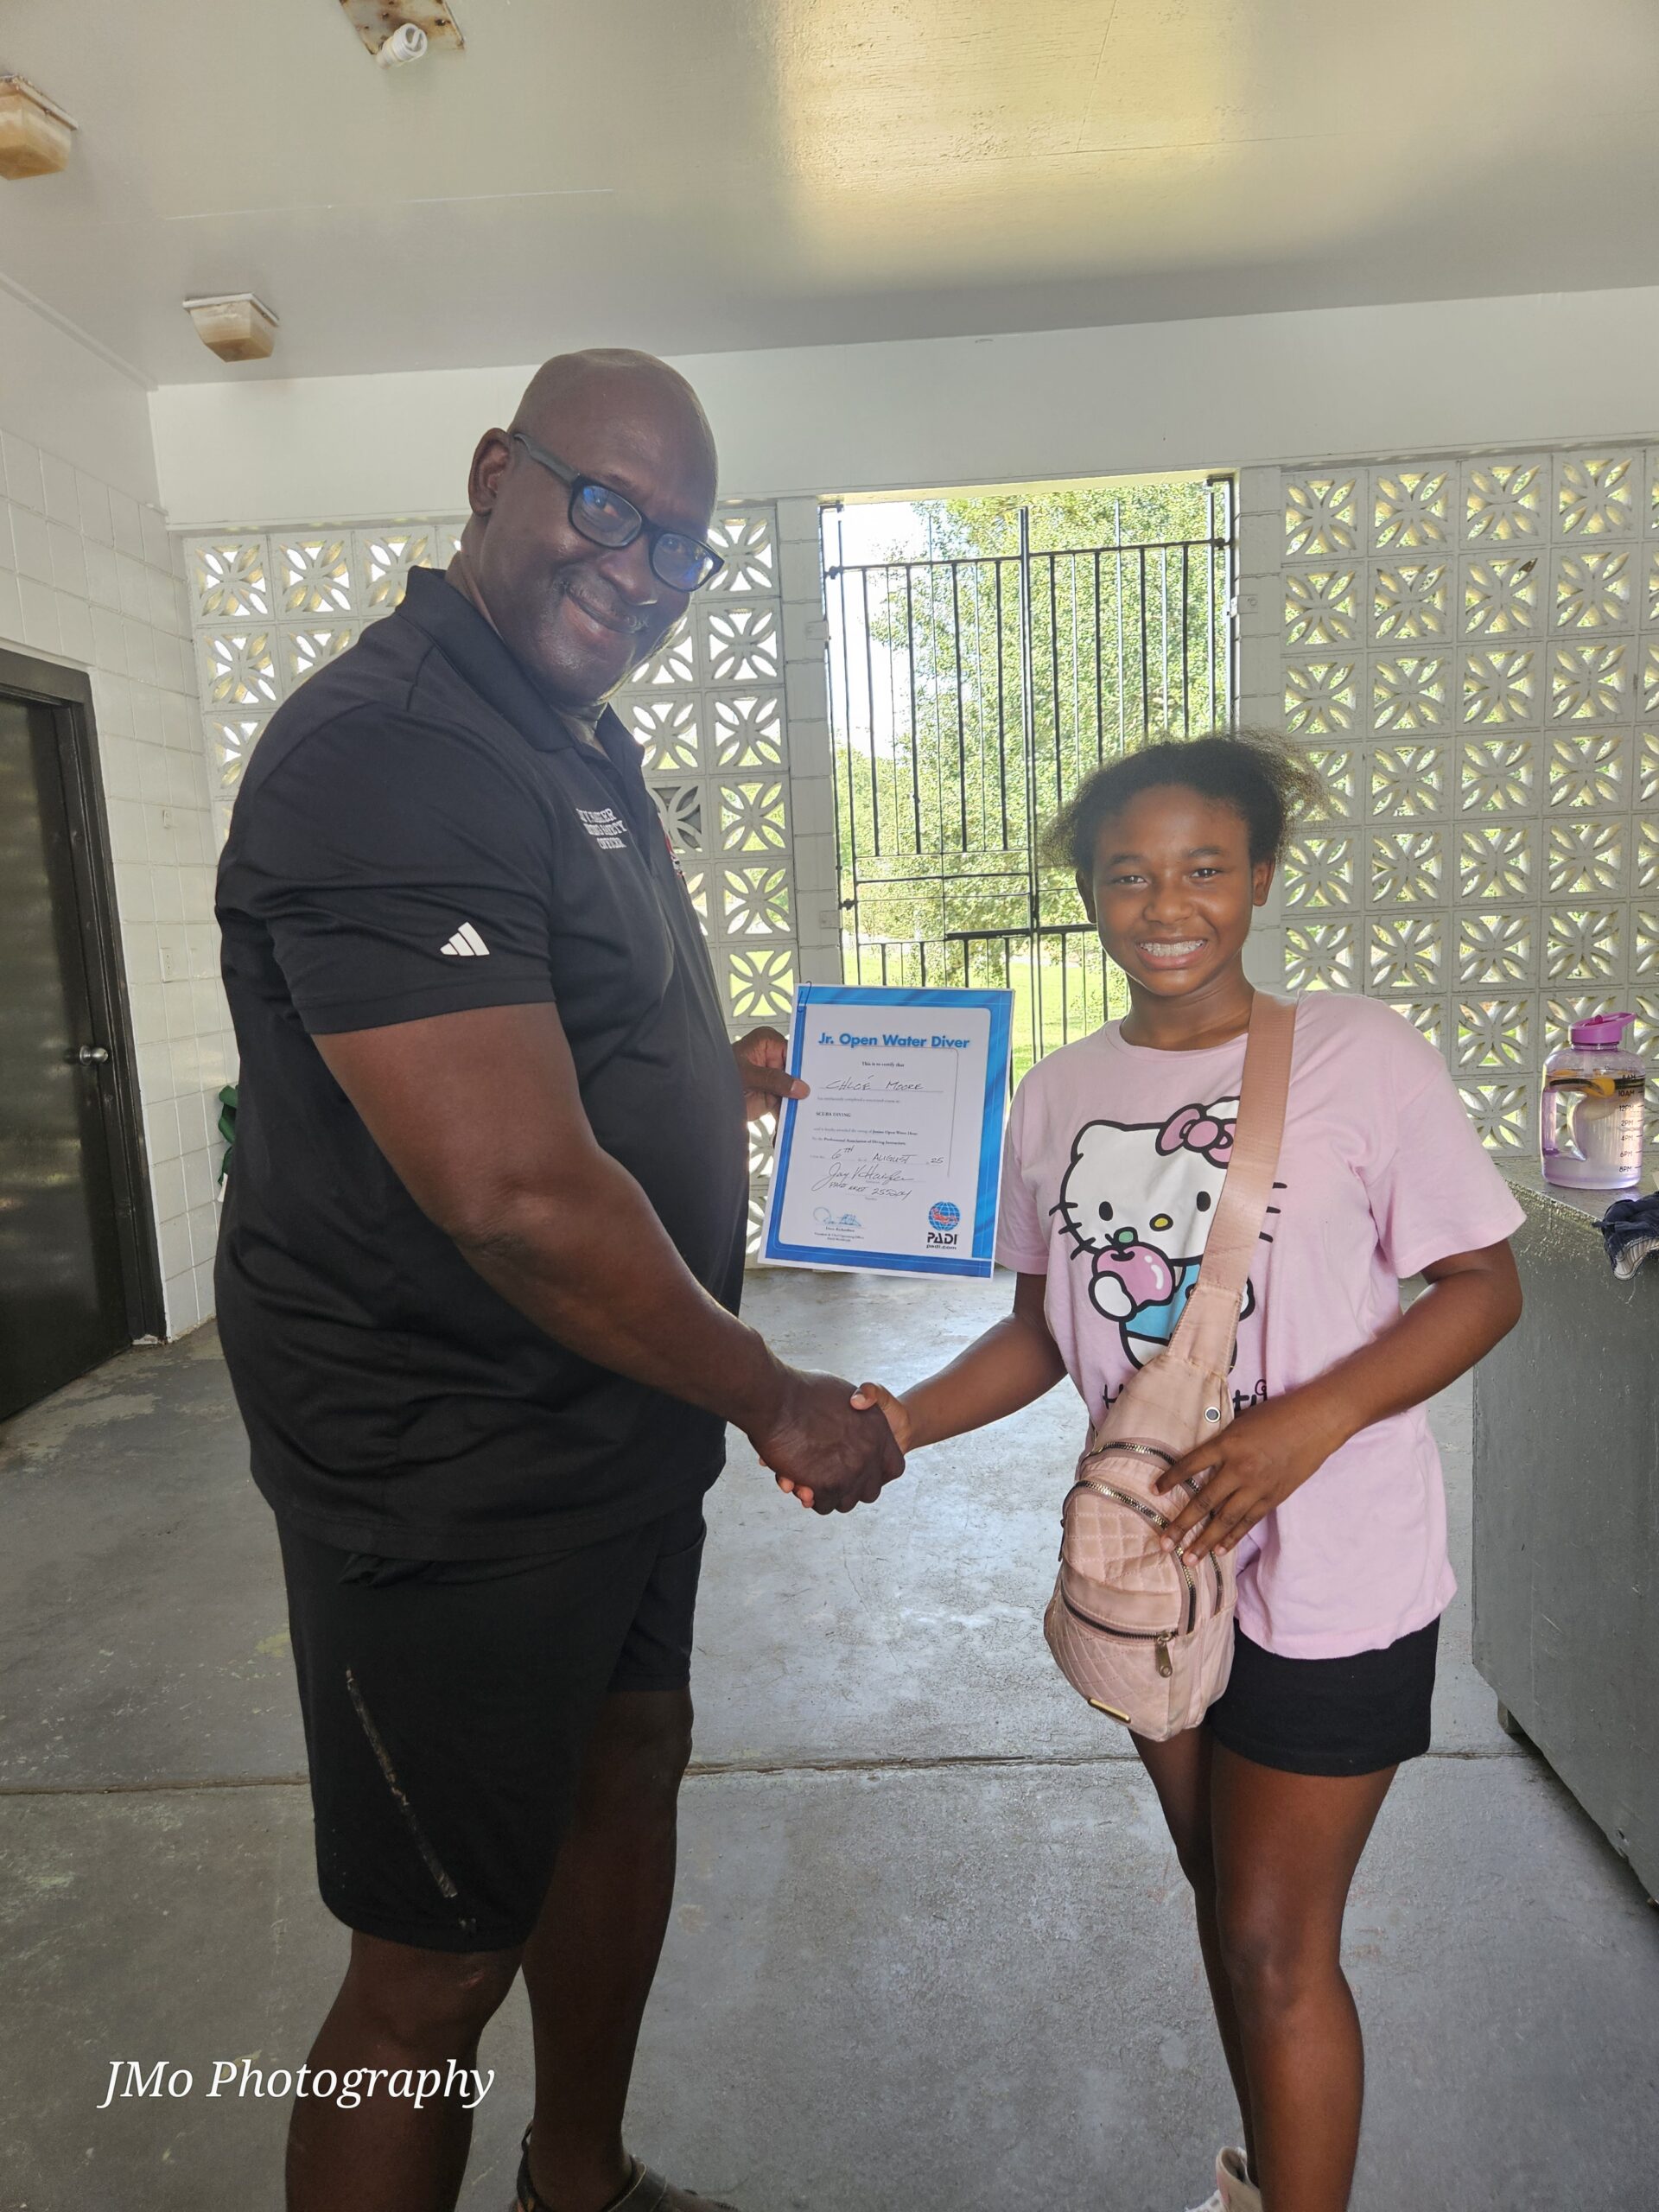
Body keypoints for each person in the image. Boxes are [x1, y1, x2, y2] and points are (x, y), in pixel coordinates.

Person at [214, 348, 904, 2212]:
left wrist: (712, 1071)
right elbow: (512, 1189)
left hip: (608, 1426)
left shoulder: (564, 731)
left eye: (680, 544)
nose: (642, 566)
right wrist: (770, 1388)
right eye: (606, 505)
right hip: (450, 1467)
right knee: (435, 1950)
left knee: (627, 1773)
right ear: (492, 472)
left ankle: (575, 2182)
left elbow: (549, 1028)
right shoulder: (391, 746)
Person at [836, 732, 1523, 2212]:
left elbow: (1481, 1283)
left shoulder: (1361, 1053)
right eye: (1128, 873)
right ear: (1089, 892)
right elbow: (1038, 1330)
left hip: (1338, 1567)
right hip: (1151, 1566)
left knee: (1278, 1939)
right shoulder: (1056, 1094)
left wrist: (1308, 1422)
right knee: (1234, 1914)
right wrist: (895, 1425)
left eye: (1205, 868)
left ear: (1260, 879)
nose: (1167, 903)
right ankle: (1272, 2182)